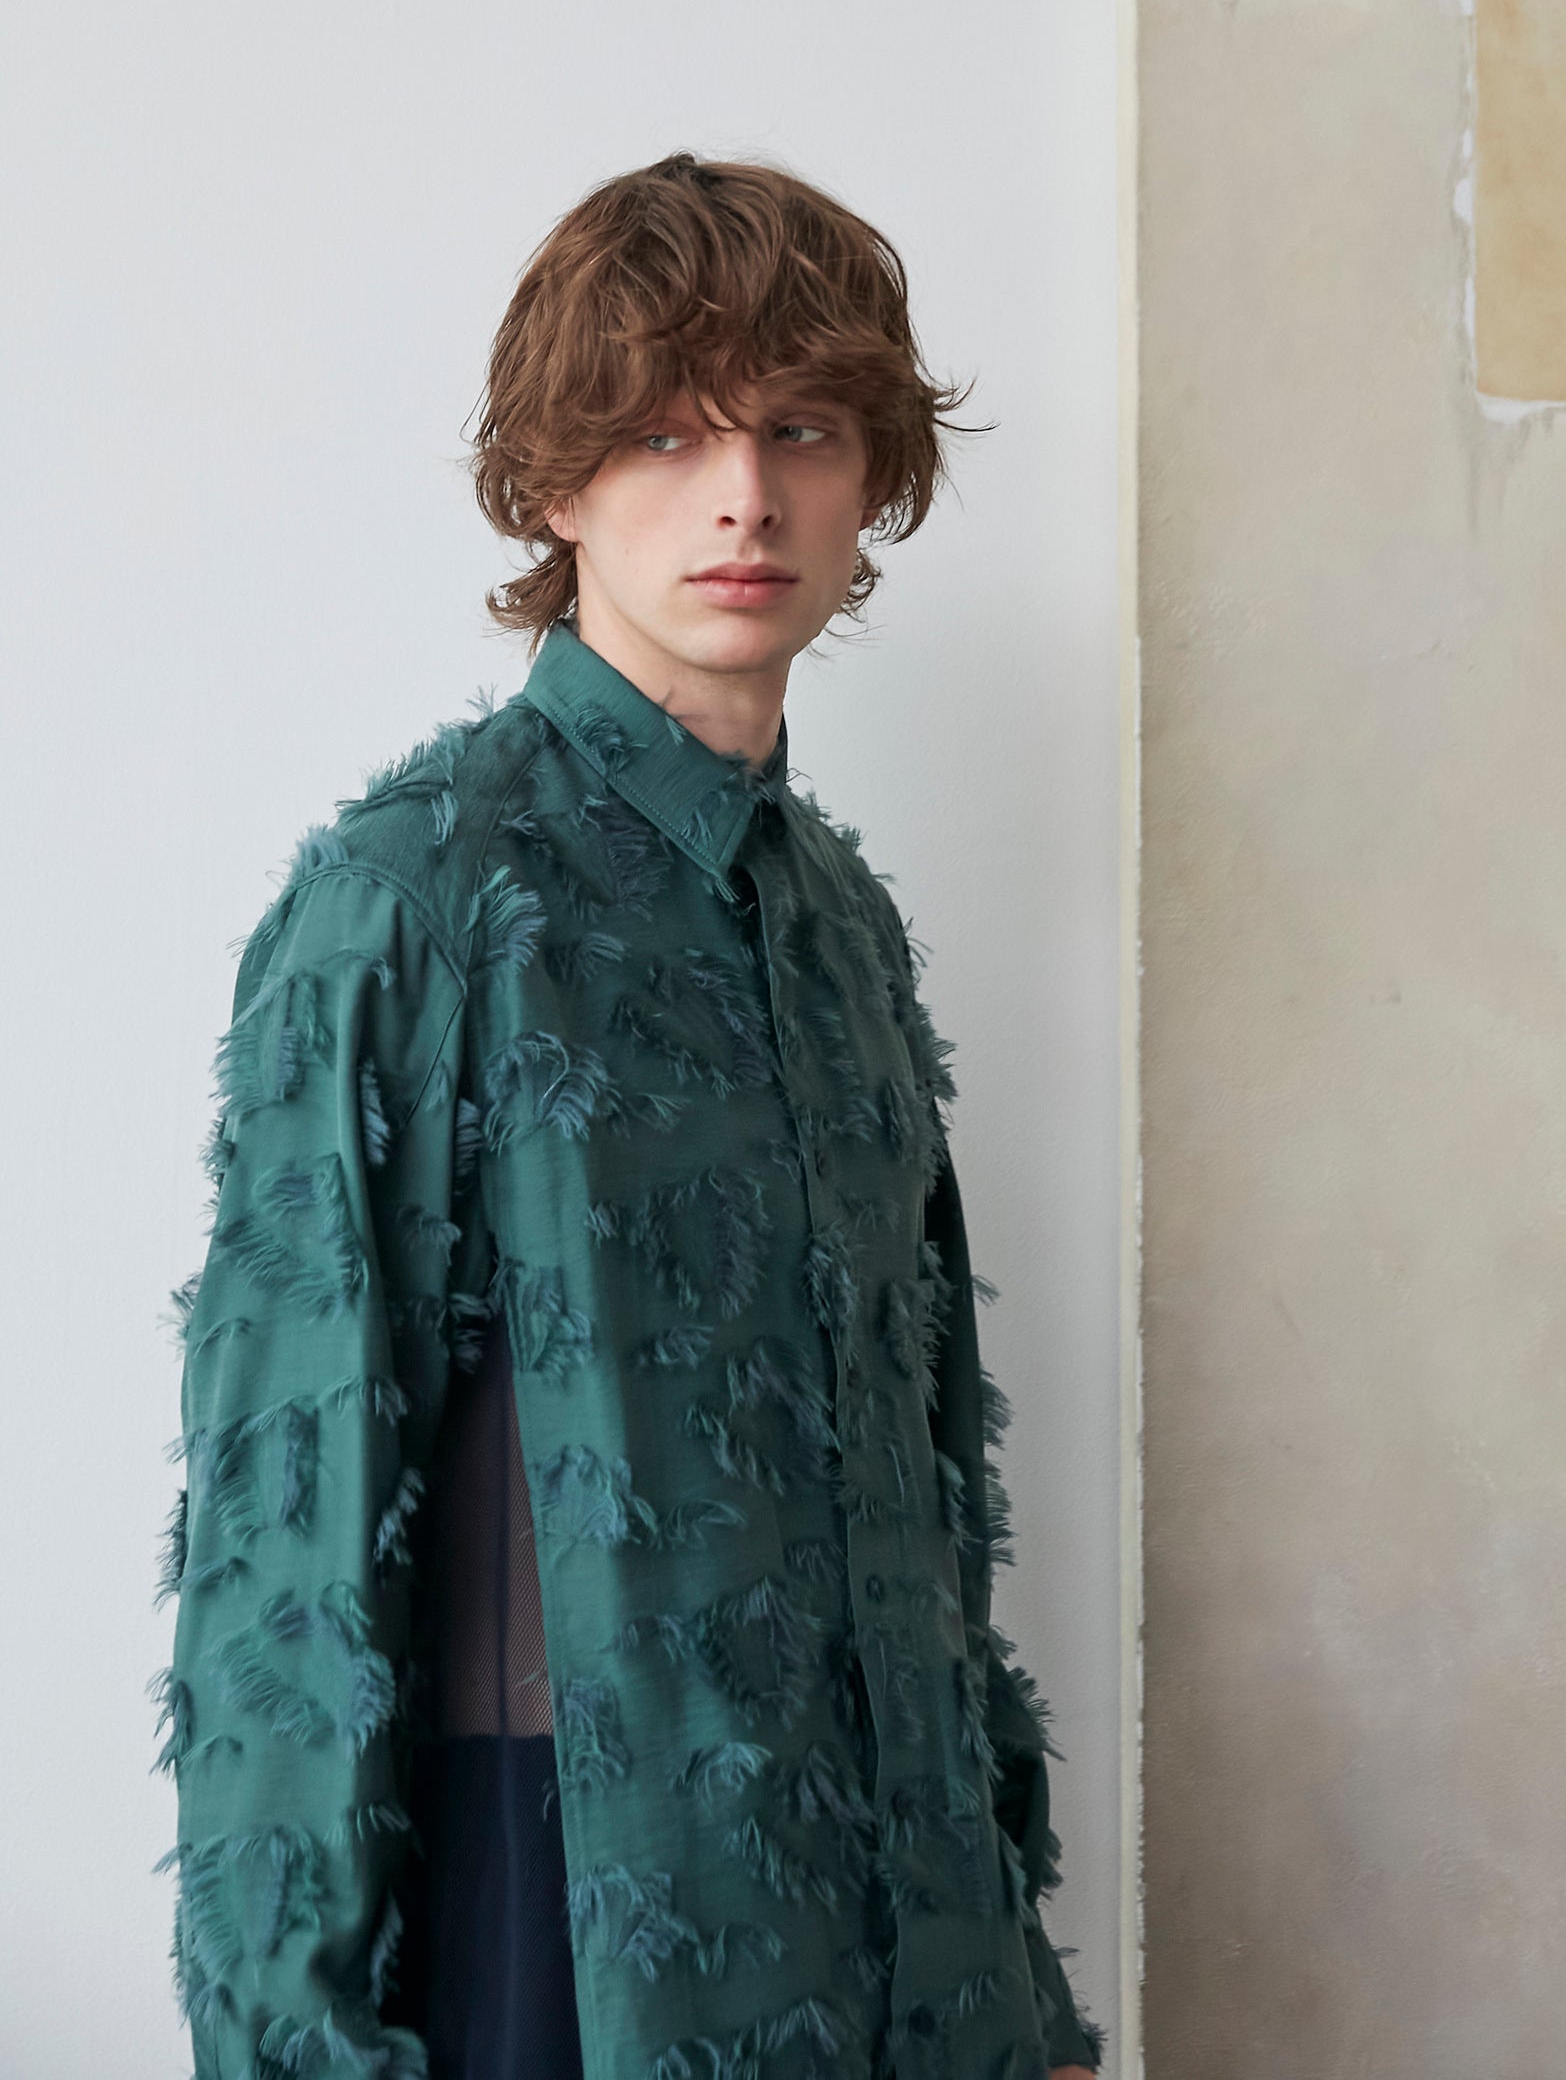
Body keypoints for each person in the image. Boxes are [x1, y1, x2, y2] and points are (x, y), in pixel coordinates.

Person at [158, 153, 1105, 2080]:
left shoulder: (843, 927)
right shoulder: (412, 903)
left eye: (801, 429)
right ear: (554, 484)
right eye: (667, 433)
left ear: (872, 477)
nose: (744, 494)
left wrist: (1026, 1989)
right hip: (557, 1929)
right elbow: (286, 1555)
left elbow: (936, 1503)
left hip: (912, 1962)